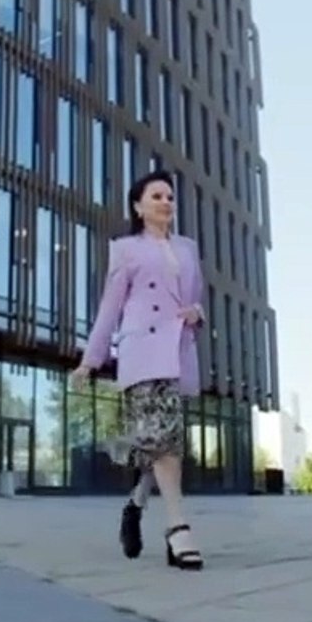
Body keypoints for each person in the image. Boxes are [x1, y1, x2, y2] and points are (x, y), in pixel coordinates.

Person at [70, 169, 206, 571]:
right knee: (164, 441)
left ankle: (136, 504)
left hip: (177, 351)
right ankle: (178, 529)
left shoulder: (187, 248)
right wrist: (90, 360)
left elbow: (196, 299)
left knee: (164, 441)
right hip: (143, 352)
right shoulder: (126, 249)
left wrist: (196, 313)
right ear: (138, 206)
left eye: (169, 196)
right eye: (157, 196)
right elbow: (110, 307)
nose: (166, 202)